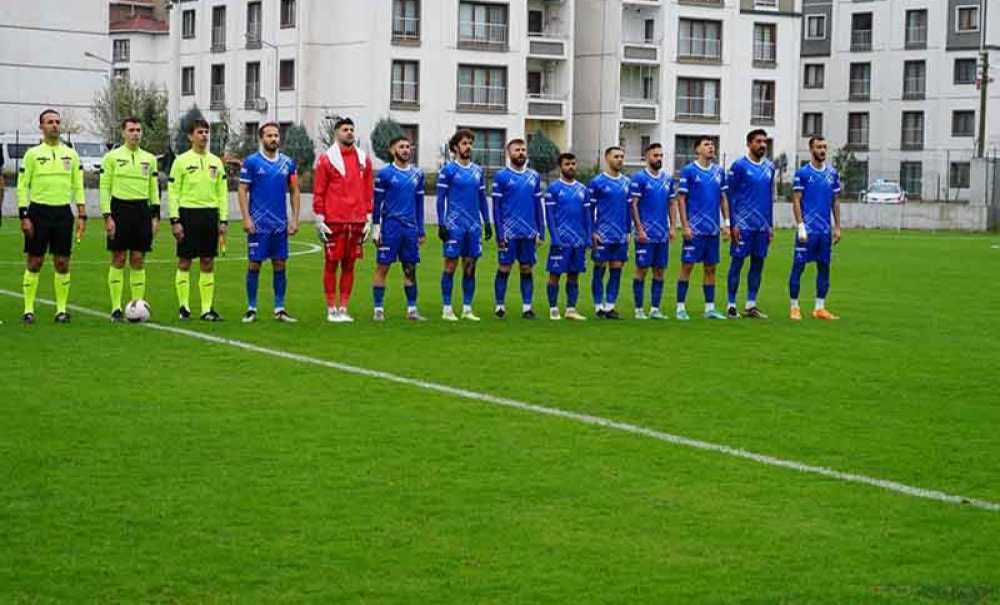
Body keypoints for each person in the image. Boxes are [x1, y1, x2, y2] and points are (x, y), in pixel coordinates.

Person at [16, 109, 86, 323]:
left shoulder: (71, 154)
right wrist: (24, 215)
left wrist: (82, 213)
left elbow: (78, 185)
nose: (54, 125)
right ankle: (28, 310)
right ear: (41, 127)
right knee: (35, 261)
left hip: (63, 213)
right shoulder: (32, 154)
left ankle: (61, 310)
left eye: (57, 122)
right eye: (49, 122)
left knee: (62, 262)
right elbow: (22, 186)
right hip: (38, 212)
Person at [238, 121, 301, 323]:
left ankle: (280, 308)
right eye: (269, 136)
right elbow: (242, 190)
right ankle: (251, 308)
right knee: (254, 264)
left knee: (280, 264)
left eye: (276, 135)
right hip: (258, 225)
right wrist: (246, 218)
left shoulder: (287, 163)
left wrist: (295, 218)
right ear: (261, 138)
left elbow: (294, 190)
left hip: (279, 225)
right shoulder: (252, 162)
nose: (274, 139)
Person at [313, 117, 373, 323]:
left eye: (351, 129)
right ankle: (331, 309)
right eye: (345, 129)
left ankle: (344, 308)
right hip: (334, 221)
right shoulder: (326, 160)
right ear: (336, 133)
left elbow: (367, 190)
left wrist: (368, 217)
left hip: (356, 221)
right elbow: (319, 190)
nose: (349, 132)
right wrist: (319, 217)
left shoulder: (364, 159)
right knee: (331, 264)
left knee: (350, 265)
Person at [100, 116, 160, 322]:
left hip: (142, 211)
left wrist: (155, 215)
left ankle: (137, 305)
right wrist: (107, 216)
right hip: (119, 209)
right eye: (131, 130)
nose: (135, 134)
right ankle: (116, 307)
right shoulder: (112, 157)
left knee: (138, 259)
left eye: (138, 130)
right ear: (123, 133)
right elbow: (104, 187)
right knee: (118, 258)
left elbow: (154, 189)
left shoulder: (150, 159)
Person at [168, 118, 228, 321]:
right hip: (187, 214)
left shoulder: (216, 162)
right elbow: (173, 192)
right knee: (185, 261)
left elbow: (222, 193)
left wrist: (223, 220)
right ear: (190, 136)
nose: (204, 136)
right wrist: (175, 220)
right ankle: (183, 307)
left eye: (206, 132)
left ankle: (206, 309)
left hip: (210, 215)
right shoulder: (181, 161)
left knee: (208, 261)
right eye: (200, 132)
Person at [436, 129, 493, 321]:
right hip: (454, 226)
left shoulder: (478, 171)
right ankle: (447, 308)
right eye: (464, 143)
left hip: (473, 227)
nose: (468, 147)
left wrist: (487, 222)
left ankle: (467, 308)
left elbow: (482, 198)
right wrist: (441, 223)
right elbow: (440, 199)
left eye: (470, 143)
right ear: (455, 147)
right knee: (450, 266)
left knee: (470, 267)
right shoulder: (448, 171)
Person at [371, 135, 426, 321]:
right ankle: (378, 309)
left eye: (408, 147)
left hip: (410, 229)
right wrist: (376, 229)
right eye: (401, 147)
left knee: (410, 268)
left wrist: (421, 230)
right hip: (390, 227)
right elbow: (376, 204)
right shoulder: (385, 174)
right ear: (392, 151)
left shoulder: (417, 175)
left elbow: (419, 204)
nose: (405, 150)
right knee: (383, 267)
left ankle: (412, 310)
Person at [676, 136, 730, 321]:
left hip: (712, 230)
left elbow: (723, 198)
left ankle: (710, 308)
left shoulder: (719, 172)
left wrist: (727, 224)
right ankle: (680, 308)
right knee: (687, 266)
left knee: (711, 269)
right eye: (706, 145)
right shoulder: (689, 171)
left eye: (713, 145)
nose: (711, 147)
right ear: (697, 149)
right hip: (694, 230)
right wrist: (685, 226)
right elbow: (681, 199)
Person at [790, 136, 842, 321]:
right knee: (799, 267)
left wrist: (837, 226)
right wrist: (801, 226)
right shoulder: (802, 173)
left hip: (824, 232)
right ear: (811, 149)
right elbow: (796, 200)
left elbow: (836, 201)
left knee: (824, 268)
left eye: (824, 147)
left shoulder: (832, 174)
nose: (822, 150)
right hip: (807, 231)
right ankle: (794, 307)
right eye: (819, 147)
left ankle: (819, 307)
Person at [725, 129, 775, 319]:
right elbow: (731, 196)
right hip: (743, 225)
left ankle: (751, 304)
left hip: (761, 226)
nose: (762, 145)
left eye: (764, 141)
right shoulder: (739, 166)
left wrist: (770, 225)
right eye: (758, 141)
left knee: (758, 264)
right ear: (749, 144)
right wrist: (733, 224)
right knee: (737, 263)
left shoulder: (770, 167)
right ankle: (731, 304)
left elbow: (770, 197)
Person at [492, 139, 544, 319]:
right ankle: (499, 305)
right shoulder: (501, 176)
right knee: (504, 268)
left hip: (529, 232)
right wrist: (499, 233)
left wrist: (541, 231)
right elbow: (496, 207)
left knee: (527, 269)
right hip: (509, 232)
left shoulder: (534, 176)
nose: (521, 153)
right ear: (509, 153)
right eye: (517, 150)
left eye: (523, 150)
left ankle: (527, 307)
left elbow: (538, 204)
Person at [629, 143, 677, 320]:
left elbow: (672, 203)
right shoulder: (639, 178)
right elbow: (633, 204)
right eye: (655, 155)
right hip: (645, 235)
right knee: (641, 269)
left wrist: (672, 227)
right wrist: (639, 229)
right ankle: (639, 309)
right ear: (647, 157)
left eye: (661, 156)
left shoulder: (667, 179)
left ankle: (655, 309)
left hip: (662, 234)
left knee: (659, 271)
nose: (659, 159)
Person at [543, 153, 591, 321]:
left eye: (573, 163)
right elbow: (549, 216)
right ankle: (553, 308)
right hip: (561, 240)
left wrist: (589, 237)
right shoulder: (553, 189)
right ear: (560, 167)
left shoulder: (583, 190)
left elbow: (587, 215)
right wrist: (555, 238)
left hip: (578, 240)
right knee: (555, 274)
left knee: (574, 274)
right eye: (567, 164)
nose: (571, 167)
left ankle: (571, 309)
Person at [588, 146, 631, 319]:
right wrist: (592, 231)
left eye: (622, 156)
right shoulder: (597, 182)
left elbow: (629, 209)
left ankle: (610, 305)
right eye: (616, 157)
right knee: (599, 268)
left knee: (617, 268)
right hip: (602, 234)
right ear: (607, 159)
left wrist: (629, 230)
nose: (620, 159)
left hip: (621, 235)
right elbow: (589, 209)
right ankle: (598, 305)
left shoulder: (627, 182)